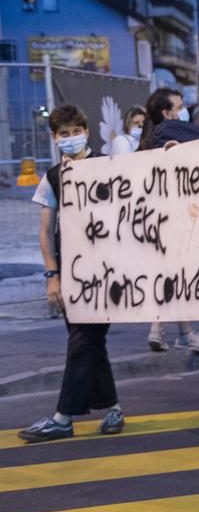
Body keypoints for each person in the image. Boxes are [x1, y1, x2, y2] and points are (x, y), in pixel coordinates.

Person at [19, 105, 126, 442]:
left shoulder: (110, 168)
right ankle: (112, 408)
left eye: (73, 131)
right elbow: (45, 229)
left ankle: (63, 417)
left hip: (108, 273)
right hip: (70, 273)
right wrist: (52, 275)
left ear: (86, 131)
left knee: (83, 340)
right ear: (54, 138)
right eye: (62, 134)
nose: (68, 138)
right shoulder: (52, 177)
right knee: (89, 341)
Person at [137, 89, 199, 355]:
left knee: (170, 271)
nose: (184, 112)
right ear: (167, 113)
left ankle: (175, 332)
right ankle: (173, 332)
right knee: (174, 272)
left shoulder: (148, 138)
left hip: (156, 217)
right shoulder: (169, 131)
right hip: (175, 216)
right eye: (180, 107)